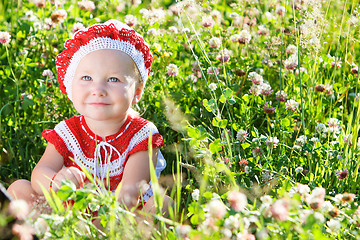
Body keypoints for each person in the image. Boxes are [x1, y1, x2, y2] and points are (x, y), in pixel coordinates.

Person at [7, 19, 171, 222]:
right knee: (18, 189)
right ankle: (51, 228)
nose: (98, 90)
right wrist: (55, 181)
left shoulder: (142, 135)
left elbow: (130, 194)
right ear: (70, 85)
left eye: (113, 79)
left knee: (162, 204)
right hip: (71, 207)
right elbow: (40, 172)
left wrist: (98, 217)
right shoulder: (68, 132)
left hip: (122, 213)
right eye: (86, 78)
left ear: (137, 92)